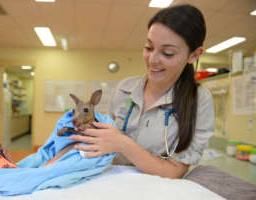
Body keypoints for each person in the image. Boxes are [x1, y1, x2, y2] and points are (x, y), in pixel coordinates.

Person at [70, 4, 214, 179]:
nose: (153, 60)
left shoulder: (200, 101)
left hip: (155, 190)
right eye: (149, 47)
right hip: (110, 180)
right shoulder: (125, 88)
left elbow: (175, 171)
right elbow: (105, 137)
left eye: (167, 53)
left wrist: (123, 144)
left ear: (194, 55)